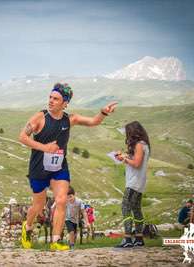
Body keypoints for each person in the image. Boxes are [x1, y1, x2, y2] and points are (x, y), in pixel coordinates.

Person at [19, 82, 117, 250]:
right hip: (38, 168)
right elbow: (22, 137)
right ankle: (27, 228)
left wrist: (102, 113)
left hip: (59, 168)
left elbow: (94, 122)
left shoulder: (70, 119)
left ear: (65, 103)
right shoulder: (40, 117)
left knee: (62, 200)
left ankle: (56, 241)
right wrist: (45, 147)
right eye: (50, 97)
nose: (50, 101)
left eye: (55, 99)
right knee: (38, 205)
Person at [114, 121, 150, 248]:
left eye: (128, 133)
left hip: (134, 182)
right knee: (136, 209)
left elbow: (136, 164)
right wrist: (125, 156)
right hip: (139, 181)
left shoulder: (140, 145)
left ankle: (128, 238)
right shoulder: (143, 144)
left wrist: (124, 159)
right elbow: (135, 160)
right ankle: (139, 238)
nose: (127, 136)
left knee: (125, 207)